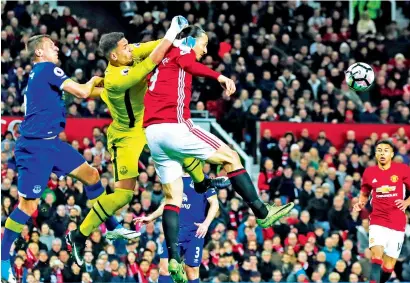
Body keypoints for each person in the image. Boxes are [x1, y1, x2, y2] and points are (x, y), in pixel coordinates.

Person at [66, 16, 229, 267]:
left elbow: (156, 45)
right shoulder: (114, 78)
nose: (130, 48)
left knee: (178, 147)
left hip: (149, 122)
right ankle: (79, 234)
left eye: (129, 44)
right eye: (124, 47)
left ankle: (203, 183)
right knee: (123, 196)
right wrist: (170, 34)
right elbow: (150, 63)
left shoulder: (130, 53)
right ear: (113, 57)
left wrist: (182, 39)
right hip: (126, 135)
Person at [143, 25, 294, 282]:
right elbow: (191, 64)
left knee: (172, 198)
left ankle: (174, 261)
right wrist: (219, 77)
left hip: (152, 134)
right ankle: (261, 212)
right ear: (191, 40)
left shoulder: (160, 56)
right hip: (174, 125)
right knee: (231, 156)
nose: (204, 50)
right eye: (204, 44)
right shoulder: (182, 48)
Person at [0, 34, 133, 283]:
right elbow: (83, 92)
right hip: (35, 148)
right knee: (27, 207)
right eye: (52, 45)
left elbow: (85, 94)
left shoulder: (42, 76)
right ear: (40, 52)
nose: (57, 48)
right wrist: (98, 79)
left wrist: (114, 89)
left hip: (52, 144)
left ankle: (113, 228)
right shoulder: (48, 69)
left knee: (92, 175)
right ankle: (3, 258)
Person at [135, 174, 219, 283]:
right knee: (165, 269)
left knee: (191, 271)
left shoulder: (202, 178)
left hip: (195, 232)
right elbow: (167, 203)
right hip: (174, 232)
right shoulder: (173, 177)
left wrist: (206, 224)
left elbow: (214, 203)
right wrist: (151, 217)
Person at [354, 139, 410, 283]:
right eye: (379, 150)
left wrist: (406, 202)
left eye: (385, 150)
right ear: (375, 154)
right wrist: (361, 202)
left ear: (391, 154)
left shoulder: (403, 169)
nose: (382, 153)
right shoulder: (369, 172)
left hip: (397, 221)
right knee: (376, 254)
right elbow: (365, 190)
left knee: (389, 265)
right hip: (378, 219)